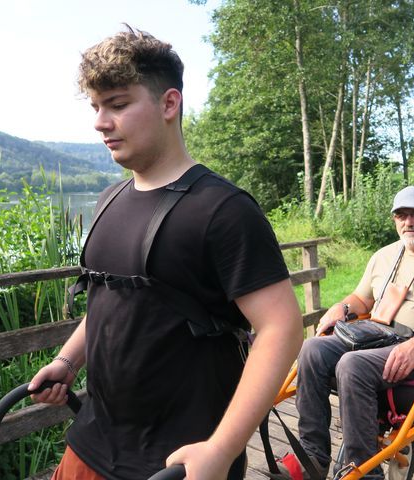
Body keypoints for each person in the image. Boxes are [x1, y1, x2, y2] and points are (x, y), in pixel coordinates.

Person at [27, 26, 303, 480]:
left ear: (169, 103)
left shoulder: (224, 210)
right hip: (90, 442)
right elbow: (109, 301)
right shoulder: (109, 200)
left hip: (180, 462)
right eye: (97, 107)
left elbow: (282, 328)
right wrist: (66, 361)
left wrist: (221, 448)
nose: (100, 122)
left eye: (117, 104)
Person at [291, 186, 414, 479]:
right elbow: (362, 299)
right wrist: (341, 308)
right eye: (400, 215)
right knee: (312, 350)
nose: (408, 221)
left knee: (352, 365)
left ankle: (362, 470)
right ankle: (313, 456)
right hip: (375, 336)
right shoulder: (383, 256)